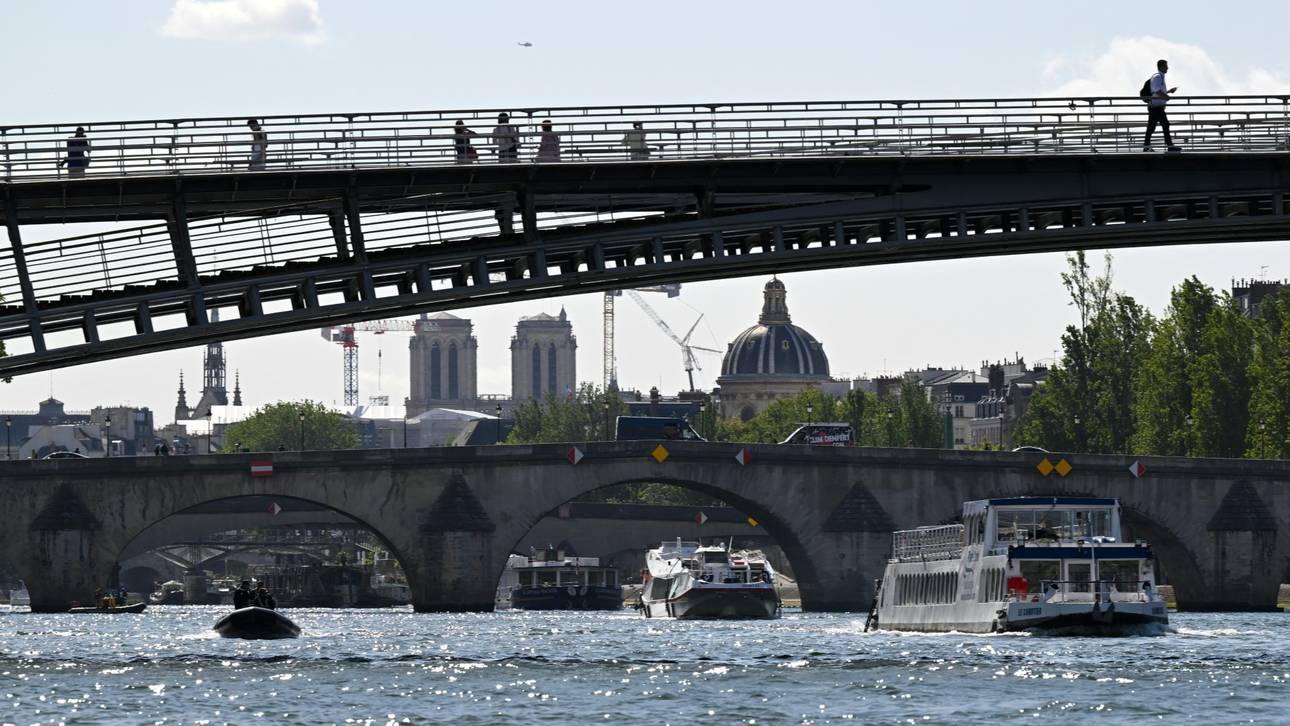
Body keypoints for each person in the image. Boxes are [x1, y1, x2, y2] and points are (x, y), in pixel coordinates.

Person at [1144, 59, 1180, 153]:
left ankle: (1147, 146)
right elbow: (1156, 90)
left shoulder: (1160, 77)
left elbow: (1156, 91)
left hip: (1156, 106)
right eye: (1165, 66)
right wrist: (1167, 97)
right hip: (1155, 107)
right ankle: (1169, 145)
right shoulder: (1158, 77)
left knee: (1153, 126)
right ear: (1161, 67)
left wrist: (1168, 92)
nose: (1167, 68)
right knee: (1163, 124)